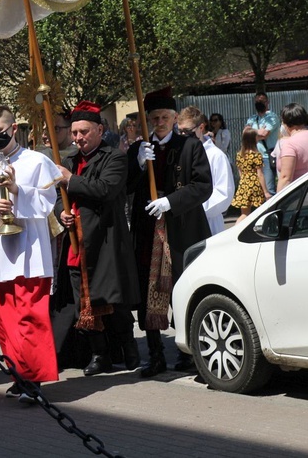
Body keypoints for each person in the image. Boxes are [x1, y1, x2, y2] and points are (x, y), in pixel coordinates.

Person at [0, 104, 61, 402]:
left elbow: (47, 202)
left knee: (30, 318)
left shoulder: (36, 161)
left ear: (14, 128)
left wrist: (18, 191)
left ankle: (34, 382)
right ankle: (19, 376)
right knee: (5, 321)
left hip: (30, 252)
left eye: (0, 131)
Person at [126, 87, 212, 378]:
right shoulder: (139, 149)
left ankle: (188, 354)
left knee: (182, 289)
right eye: (154, 118)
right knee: (149, 291)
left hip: (181, 228)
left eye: (165, 116)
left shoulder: (190, 147)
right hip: (148, 229)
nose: (160, 122)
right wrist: (137, 165)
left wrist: (170, 201)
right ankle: (155, 355)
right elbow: (124, 187)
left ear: (175, 118)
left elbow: (203, 186)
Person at [54, 101, 141, 376]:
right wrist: (62, 214)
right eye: (75, 132)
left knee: (114, 301)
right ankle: (99, 354)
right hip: (77, 243)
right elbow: (58, 199)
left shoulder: (114, 157)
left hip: (105, 241)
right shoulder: (68, 160)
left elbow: (106, 189)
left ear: (100, 130)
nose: (78, 138)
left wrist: (70, 180)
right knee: (84, 304)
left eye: (84, 131)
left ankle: (129, 350)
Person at [178, 106, 235, 235]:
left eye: (187, 131)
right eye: (180, 131)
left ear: (201, 128)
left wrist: (193, 209)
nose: (182, 136)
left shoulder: (216, 156)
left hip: (207, 222)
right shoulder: (179, 153)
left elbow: (223, 194)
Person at [232, 127, 269, 224]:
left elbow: (240, 172)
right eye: (257, 136)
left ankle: (238, 228)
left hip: (243, 184)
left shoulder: (239, 154)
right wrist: (265, 191)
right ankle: (237, 228)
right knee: (260, 212)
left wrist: (244, 182)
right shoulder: (256, 155)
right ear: (253, 139)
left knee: (244, 213)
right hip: (254, 184)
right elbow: (260, 174)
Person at [246, 92, 279, 195]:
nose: (259, 103)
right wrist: (258, 131)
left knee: (269, 189)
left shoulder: (272, 117)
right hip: (254, 156)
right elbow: (245, 133)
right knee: (257, 189)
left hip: (267, 156)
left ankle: (273, 210)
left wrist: (253, 132)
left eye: (262, 101)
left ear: (267, 102)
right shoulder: (252, 118)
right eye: (257, 101)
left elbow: (264, 134)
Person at [276, 103, 308, 192]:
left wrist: (277, 203)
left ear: (286, 123)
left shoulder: (290, 144)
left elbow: (285, 178)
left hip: (299, 199)